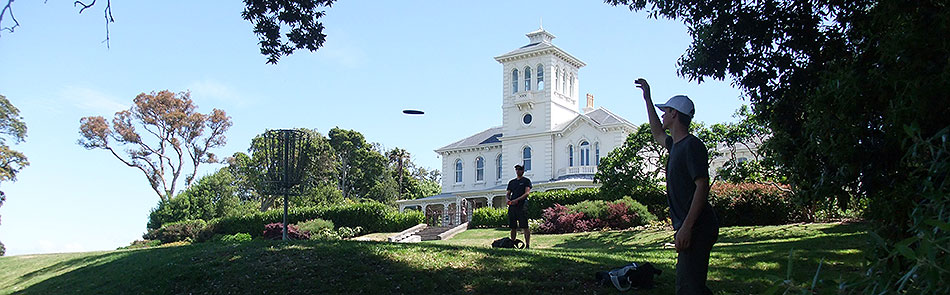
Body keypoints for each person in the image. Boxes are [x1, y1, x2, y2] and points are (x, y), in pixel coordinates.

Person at [636, 78, 719, 294]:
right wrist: (648, 99)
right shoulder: (676, 146)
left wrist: (687, 227)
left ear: (674, 114)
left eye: (665, 111)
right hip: (692, 226)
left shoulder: (692, 146)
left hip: (699, 227)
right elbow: (657, 134)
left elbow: (702, 186)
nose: (662, 115)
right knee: (693, 285)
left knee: (687, 287)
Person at [506, 164, 532, 248]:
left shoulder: (526, 181)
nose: (518, 171)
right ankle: (512, 243)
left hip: (522, 206)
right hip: (512, 207)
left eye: (519, 169)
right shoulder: (512, 182)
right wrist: (508, 200)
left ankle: (527, 244)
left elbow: (527, 193)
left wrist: (517, 200)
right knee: (513, 227)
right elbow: (508, 194)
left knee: (524, 226)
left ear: (523, 171)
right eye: (516, 169)